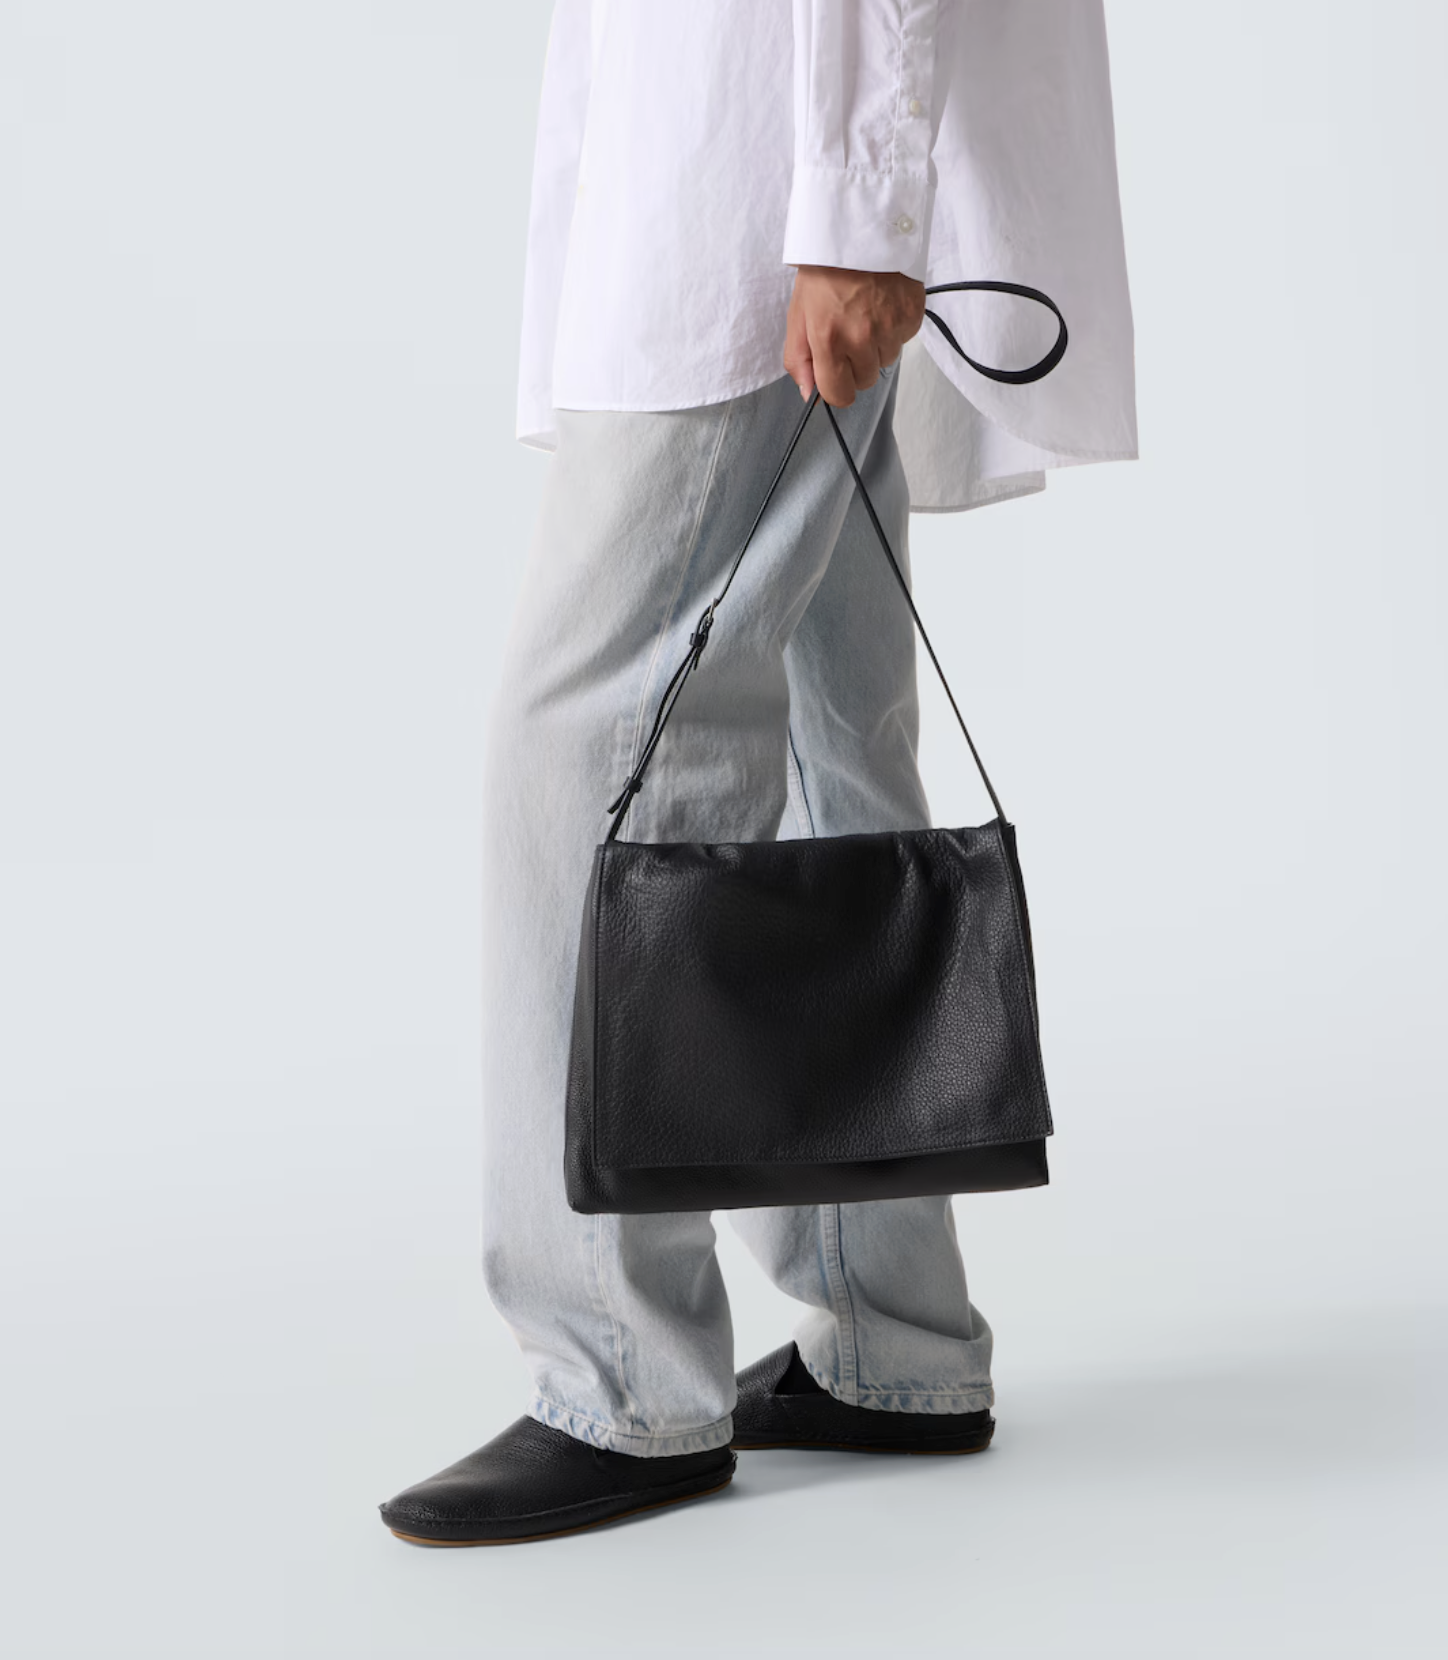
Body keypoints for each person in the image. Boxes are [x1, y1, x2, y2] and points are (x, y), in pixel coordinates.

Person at [380, 0, 1136, 1546]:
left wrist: (855, 208)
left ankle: (617, 1376)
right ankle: (890, 1336)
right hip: (763, 173)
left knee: (588, 733)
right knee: (821, 720)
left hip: (752, 186)